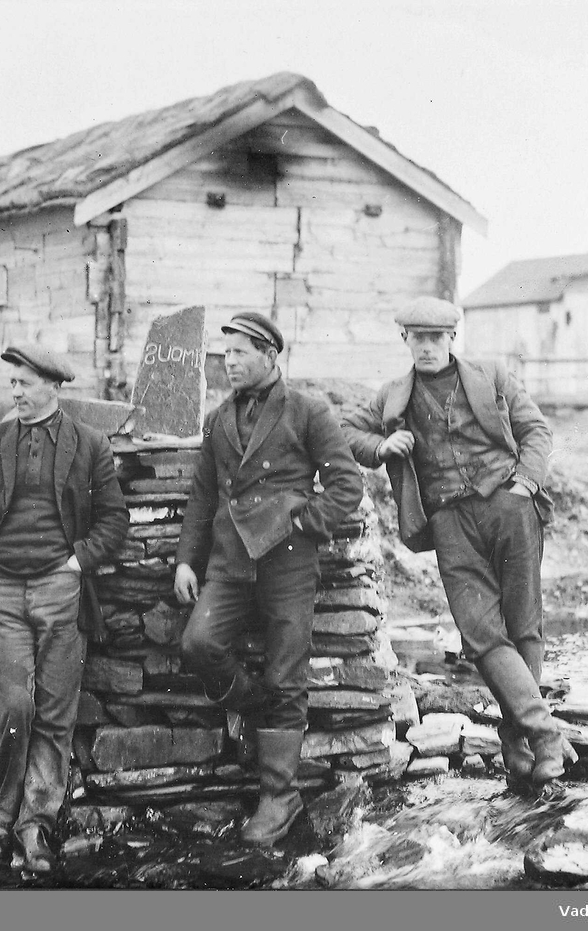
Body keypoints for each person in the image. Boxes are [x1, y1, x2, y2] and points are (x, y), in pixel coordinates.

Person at [340, 296, 573, 799]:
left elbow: (536, 431)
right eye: (417, 338)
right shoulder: (393, 396)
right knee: (482, 634)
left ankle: (518, 743)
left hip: (510, 506)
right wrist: (381, 448)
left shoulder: (491, 376)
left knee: (523, 624)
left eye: (435, 338)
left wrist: (526, 486)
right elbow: (345, 430)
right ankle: (544, 734)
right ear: (406, 341)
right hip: (449, 523)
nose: (426, 347)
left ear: (451, 339)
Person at [175, 312, 363, 846]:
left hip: (287, 562)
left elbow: (346, 485)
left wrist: (305, 523)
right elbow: (203, 495)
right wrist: (188, 559)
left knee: (287, 672)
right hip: (231, 561)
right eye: (225, 353)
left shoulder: (307, 411)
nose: (228, 362)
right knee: (198, 644)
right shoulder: (217, 419)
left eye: (239, 353)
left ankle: (278, 796)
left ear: (270, 356)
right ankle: (256, 709)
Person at [0, 346, 129, 873]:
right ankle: (3, 817)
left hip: (59, 587)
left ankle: (36, 827)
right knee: (15, 706)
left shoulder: (89, 445)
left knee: (55, 711)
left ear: (54, 387)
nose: (16, 393)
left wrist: (76, 563)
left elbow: (113, 522)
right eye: (13, 384)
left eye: (25, 383)